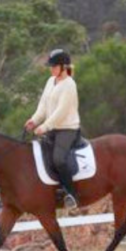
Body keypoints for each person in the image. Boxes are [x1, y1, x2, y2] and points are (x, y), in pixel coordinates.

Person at [24, 48, 81, 208]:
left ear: (63, 67)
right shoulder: (51, 81)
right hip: (51, 129)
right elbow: (43, 104)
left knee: (58, 159)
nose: (51, 69)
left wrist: (45, 126)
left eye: (54, 66)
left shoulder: (69, 85)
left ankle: (71, 194)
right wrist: (34, 120)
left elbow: (61, 112)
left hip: (67, 129)